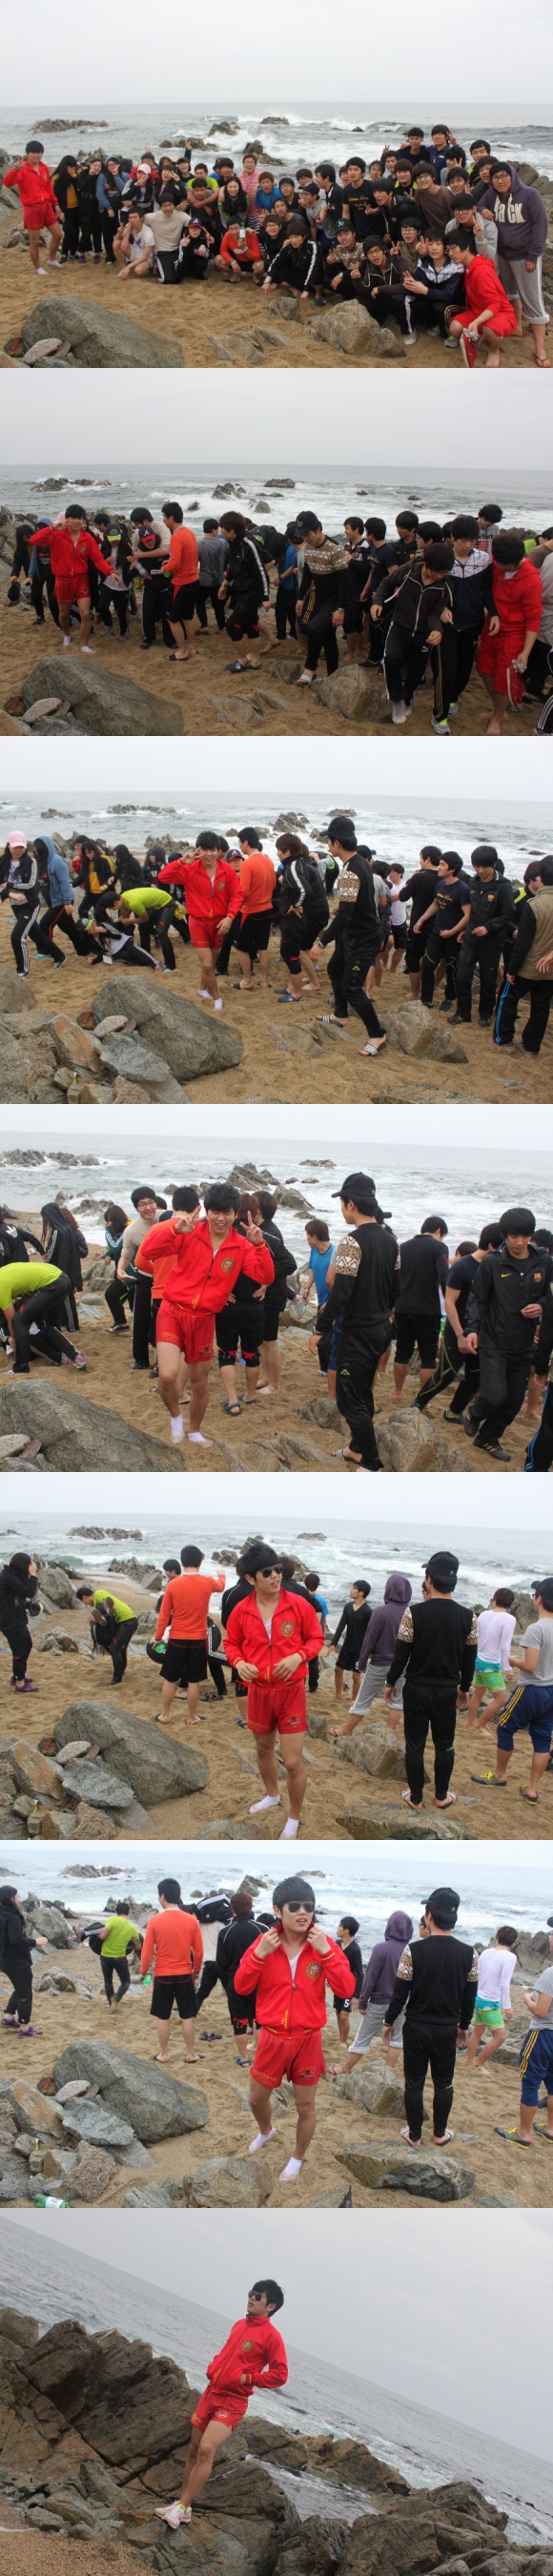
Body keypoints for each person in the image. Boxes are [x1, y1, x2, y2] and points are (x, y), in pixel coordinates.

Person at [234, 1873, 355, 2177]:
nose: (303, 1912)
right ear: (278, 1910)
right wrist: (260, 1955)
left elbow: (346, 1989)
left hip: (308, 2039)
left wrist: (327, 1952)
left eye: (309, 1906)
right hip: (271, 2037)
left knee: (305, 2106)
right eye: (295, 1906)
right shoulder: (264, 1943)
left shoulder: (323, 1944)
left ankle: (297, 2158)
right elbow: (241, 1986)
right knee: (256, 2098)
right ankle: (266, 2131)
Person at [136, 1186, 274, 1445]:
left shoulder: (241, 1246)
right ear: (206, 1211)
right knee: (167, 1376)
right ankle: (175, 1415)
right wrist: (175, 1230)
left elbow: (265, 1276)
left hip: (204, 1318)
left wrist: (259, 1245)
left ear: (236, 1214)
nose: (221, 1218)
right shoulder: (189, 1232)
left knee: (199, 1383)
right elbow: (148, 1253)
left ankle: (195, 1431)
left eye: (227, 1213)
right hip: (172, 1310)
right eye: (215, 1212)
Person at [155, 2281, 287, 2530]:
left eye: (257, 2296)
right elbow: (226, 2354)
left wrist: (248, 2378)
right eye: (250, 2293)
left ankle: (181, 2508)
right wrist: (214, 2366)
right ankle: (183, 2508)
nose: (251, 2298)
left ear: (270, 2306)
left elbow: (280, 2374)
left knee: (207, 2449)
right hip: (211, 2394)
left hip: (233, 2401)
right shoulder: (239, 2324)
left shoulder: (272, 2336)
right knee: (194, 2450)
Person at [224, 1544, 324, 1837]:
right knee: (263, 1748)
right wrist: (239, 1663)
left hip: (291, 1692)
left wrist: (299, 1657)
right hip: (258, 1691)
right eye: (267, 1572)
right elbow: (231, 1644)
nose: (275, 1576)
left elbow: (316, 1639)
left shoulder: (299, 1605)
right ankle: (272, 1795)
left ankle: (294, 1817)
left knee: (292, 1762)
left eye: (278, 1569)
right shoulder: (241, 1610)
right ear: (250, 1579)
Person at [311, 1173, 398, 1470]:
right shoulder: (391, 1240)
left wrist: (319, 1330)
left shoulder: (351, 1241)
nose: (342, 1209)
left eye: (342, 1203)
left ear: (350, 1204)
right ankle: (356, 1449)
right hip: (381, 1330)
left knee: (348, 1400)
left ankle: (370, 1461)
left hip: (357, 1333)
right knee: (362, 1392)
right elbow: (395, 1290)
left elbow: (340, 1295)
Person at [382, 1886, 479, 2147]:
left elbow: (400, 1993)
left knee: (414, 2083)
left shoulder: (412, 1950)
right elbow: (469, 1997)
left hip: (416, 2027)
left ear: (430, 1916)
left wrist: (389, 2022)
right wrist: (464, 2026)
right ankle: (439, 2133)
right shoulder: (470, 1954)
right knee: (444, 2083)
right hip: (447, 2030)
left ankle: (414, 2135)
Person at [384, 1549, 478, 1810]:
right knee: (445, 1746)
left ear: (429, 1579)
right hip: (447, 1691)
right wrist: (464, 1688)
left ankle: (415, 1798)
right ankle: (441, 1796)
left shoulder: (413, 1613)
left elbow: (401, 1655)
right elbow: (469, 1659)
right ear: (454, 1580)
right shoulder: (469, 1617)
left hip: (416, 1689)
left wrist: (390, 1683)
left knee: (415, 1745)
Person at [462, 1208, 553, 1460]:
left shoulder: (544, 1262)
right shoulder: (492, 1262)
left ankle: (488, 1437)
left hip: (524, 1344)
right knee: (494, 1396)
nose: (519, 1242)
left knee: (513, 1403)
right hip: (493, 1341)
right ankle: (474, 1413)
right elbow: (477, 1299)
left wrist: (542, 1305)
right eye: (514, 1236)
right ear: (504, 1235)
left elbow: (550, 1295)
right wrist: (472, 1330)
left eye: (525, 1236)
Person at [473, 1578, 553, 1803]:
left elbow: (530, 1665)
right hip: (551, 1690)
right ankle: (532, 1789)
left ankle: (499, 1775)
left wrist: (513, 1661)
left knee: (505, 1728)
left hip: (531, 1689)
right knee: (542, 1739)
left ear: (539, 1599)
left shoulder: (536, 1629)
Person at [414, 1221, 503, 1421]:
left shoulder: (498, 1268)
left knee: (476, 1377)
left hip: (483, 1333)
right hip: (458, 1330)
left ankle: (454, 1412)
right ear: (492, 1246)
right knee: (446, 1374)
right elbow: (449, 1302)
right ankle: (418, 1404)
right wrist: (460, 1334)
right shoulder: (463, 1267)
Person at [317, 816, 386, 1055]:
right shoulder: (360, 863)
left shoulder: (349, 872)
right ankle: (340, 1015)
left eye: (328, 841)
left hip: (362, 938)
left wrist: (322, 942)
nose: (328, 845)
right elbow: (360, 899)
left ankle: (377, 1034)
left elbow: (345, 917)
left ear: (336, 842)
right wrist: (344, 906)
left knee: (352, 988)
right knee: (335, 969)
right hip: (354, 934)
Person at [477, 161, 549, 366]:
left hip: (525, 256)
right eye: (495, 177)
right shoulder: (491, 195)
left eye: (504, 176)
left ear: (512, 176)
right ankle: (517, 327)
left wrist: (533, 255)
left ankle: (540, 348)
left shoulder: (530, 195)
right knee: (510, 294)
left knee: (533, 301)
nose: (500, 181)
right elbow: (479, 205)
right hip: (503, 255)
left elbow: (541, 226)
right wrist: (483, 210)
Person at [157, 831, 241, 1008]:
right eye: (205, 850)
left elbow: (237, 894)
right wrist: (181, 862)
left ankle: (202, 988)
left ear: (218, 851)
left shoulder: (226, 870)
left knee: (210, 963)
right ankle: (217, 998)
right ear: (198, 850)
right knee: (208, 964)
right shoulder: (190, 869)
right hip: (198, 922)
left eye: (213, 850)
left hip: (219, 923)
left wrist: (230, 917)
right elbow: (163, 877)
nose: (209, 854)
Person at [477, 532, 543, 735]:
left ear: (517, 561)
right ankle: (500, 709)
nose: (501, 568)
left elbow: (534, 618)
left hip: (514, 634)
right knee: (483, 669)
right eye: (499, 564)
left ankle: (497, 717)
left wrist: (526, 652)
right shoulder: (497, 563)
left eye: (505, 567)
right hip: (492, 627)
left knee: (505, 679)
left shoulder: (531, 580)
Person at [152, 1544, 225, 1726]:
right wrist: (222, 1574)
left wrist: (158, 1637)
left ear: (182, 1563)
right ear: (200, 1562)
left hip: (177, 1638)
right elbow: (221, 1586)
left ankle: (165, 1714)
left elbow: (164, 1615)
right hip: (198, 1639)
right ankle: (192, 1717)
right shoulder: (208, 1582)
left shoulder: (173, 1584)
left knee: (170, 1678)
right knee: (194, 1681)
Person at [496, 1920, 553, 2146]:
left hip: (543, 2035)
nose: (549, 1937)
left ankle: (524, 2134)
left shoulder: (550, 1974)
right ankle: (550, 2129)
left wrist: (528, 1999)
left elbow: (540, 2011)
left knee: (531, 2082)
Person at [31, 506, 115, 654]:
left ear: (83, 520)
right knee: (63, 613)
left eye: (80, 518)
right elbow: (34, 540)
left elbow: (98, 559)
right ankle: (67, 634)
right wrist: (52, 528)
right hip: (62, 580)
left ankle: (84, 644)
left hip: (81, 580)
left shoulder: (87, 538)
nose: (77, 521)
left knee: (85, 613)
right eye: (73, 518)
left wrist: (110, 572)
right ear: (67, 519)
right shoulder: (57, 535)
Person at [140, 1877, 204, 2064]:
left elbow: (147, 1951)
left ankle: (164, 2054)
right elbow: (199, 1951)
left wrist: (143, 1971)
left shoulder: (154, 1921)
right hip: (185, 1974)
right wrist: (196, 1970)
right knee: (187, 2015)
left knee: (163, 2016)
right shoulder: (192, 1920)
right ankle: (190, 2053)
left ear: (162, 1896)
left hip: (163, 1975)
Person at [494, 855, 553, 1054]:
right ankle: (531, 1047)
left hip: (528, 966)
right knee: (541, 1006)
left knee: (508, 999)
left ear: (542, 876)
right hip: (549, 969)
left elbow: (523, 942)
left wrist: (512, 969)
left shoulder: (535, 904)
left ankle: (504, 1040)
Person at [453, 847, 516, 1026]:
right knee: (462, 976)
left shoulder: (503, 886)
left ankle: (485, 1014)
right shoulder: (473, 882)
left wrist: (488, 927)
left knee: (488, 980)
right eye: (476, 866)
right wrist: (466, 929)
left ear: (493, 864)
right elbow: (472, 911)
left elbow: (508, 914)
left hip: (492, 943)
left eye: (484, 866)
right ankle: (463, 1012)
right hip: (471, 939)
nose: (480, 870)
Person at [342, 1576, 413, 1733]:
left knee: (363, 1698)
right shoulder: (411, 1613)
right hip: (403, 1663)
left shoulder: (380, 1612)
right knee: (397, 1701)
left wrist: (362, 1662)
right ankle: (389, 1733)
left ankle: (346, 1731)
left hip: (380, 1662)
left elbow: (369, 1640)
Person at [393, 1216, 449, 1400]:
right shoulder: (439, 1247)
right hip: (427, 1309)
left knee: (402, 1352)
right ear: (439, 1231)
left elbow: (394, 1276)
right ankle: (424, 1398)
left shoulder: (403, 1247)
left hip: (402, 1307)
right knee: (428, 1357)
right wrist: (450, 1303)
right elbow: (445, 1278)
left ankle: (398, 1392)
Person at [0, 1257, 86, 1375]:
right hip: (63, 1278)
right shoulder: (4, 1274)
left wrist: (15, 1343)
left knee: (18, 1320)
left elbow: (12, 1321)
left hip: (52, 1284)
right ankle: (74, 1356)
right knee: (51, 1324)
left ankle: (21, 1367)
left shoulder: (2, 1288)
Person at [445, 231, 519, 365]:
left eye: (453, 248)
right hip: (478, 310)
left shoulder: (481, 271)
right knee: (455, 328)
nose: (450, 253)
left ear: (467, 247)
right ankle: (481, 332)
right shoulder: (467, 266)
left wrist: (476, 322)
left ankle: (494, 350)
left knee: (489, 329)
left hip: (501, 312)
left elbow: (495, 305)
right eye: (448, 250)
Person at [349, 1911, 414, 2062]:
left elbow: (370, 1977)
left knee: (363, 2037)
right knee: (397, 2039)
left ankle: (345, 2068)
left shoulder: (381, 1948)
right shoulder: (412, 1950)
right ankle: (389, 2069)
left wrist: (363, 2001)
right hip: (403, 2002)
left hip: (379, 2001)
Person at [215, 1891, 265, 2063]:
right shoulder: (262, 1929)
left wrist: (231, 1971)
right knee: (259, 2019)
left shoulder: (225, 1931)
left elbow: (220, 1962)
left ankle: (244, 2058)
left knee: (239, 2020)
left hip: (236, 1980)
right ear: (251, 1907)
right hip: (258, 1981)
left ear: (232, 1909)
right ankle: (259, 2053)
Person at [218, 511, 270, 672]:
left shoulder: (249, 545)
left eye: (223, 528)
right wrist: (225, 584)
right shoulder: (232, 544)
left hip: (253, 593)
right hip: (241, 590)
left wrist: (266, 597)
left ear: (232, 530)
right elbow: (233, 567)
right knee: (250, 625)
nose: (221, 531)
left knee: (231, 625)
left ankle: (242, 659)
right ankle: (255, 661)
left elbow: (261, 572)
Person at [4, 141, 62, 273]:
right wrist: (15, 170)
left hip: (46, 206)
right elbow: (7, 183)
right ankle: (38, 267)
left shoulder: (44, 167)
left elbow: (48, 188)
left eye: (39, 153)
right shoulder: (22, 169)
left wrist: (55, 203)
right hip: (31, 209)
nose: (36, 155)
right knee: (34, 240)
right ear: (27, 153)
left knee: (58, 234)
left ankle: (51, 259)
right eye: (33, 152)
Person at [465, 1926, 518, 2071]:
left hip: (478, 1997)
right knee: (500, 2037)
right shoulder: (510, 1957)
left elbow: (476, 1974)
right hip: (490, 2002)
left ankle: (470, 2061)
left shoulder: (486, 1952)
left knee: (477, 2032)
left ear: (497, 1937)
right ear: (513, 1941)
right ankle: (479, 2064)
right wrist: (507, 2007)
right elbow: (504, 1984)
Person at [467, 1590, 517, 1734]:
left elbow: (476, 1636)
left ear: (495, 1600)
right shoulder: (509, 1619)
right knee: (501, 1699)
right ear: (510, 1603)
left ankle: (471, 1723)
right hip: (490, 1664)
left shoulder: (484, 1614)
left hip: (478, 1660)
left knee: (478, 1694)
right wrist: (508, 1668)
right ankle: (480, 1726)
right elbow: (505, 1645)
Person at [0, 1887, 48, 2035]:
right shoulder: (12, 1917)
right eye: (18, 1897)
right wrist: (35, 1942)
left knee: (21, 1987)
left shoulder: (3, 1913)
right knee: (25, 1993)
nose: (20, 1900)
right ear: (11, 1899)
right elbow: (16, 1939)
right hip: (16, 1961)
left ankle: (8, 2017)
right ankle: (24, 2027)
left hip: (6, 1959)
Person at [234, 829, 276, 992]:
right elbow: (273, 885)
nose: (240, 846)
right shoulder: (268, 861)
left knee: (242, 948)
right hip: (268, 908)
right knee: (262, 947)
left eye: (240, 843)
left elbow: (243, 892)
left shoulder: (247, 864)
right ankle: (264, 981)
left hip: (251, 911)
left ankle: (247, 980)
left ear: (246, 842)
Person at [76, 1584, 138, 1685]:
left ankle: (117, 1679)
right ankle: (121, 1671)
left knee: (114, 1649)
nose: (85, 1604)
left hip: (127, 1622)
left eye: (83, 1602)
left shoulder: (98, 1594)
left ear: (84, 1597)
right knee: (121, 1649)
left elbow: (109, 1602)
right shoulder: (98, 1600)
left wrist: (110, 1609)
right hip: (125, 1621)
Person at [0, 1552, 40, 1692]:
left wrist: (27, 1605)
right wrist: (33, 1575)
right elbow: (29, 1591)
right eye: (29, 1564)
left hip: (16, 1619)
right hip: (10, 1622)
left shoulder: (12, 1576)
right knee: (19, 1651)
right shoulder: (9, 1577)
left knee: (27, 1645)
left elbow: (15, 1597)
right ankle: (20, 1684)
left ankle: (18, 1676)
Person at [93, 1901, 141, 2010]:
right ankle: (116, 1997)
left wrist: (95, 1933)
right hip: (119, 1958)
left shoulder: (112, 1920)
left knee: (108, 1981)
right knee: (126, 1982)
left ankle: (110, 2004)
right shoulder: (132, 1928)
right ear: (128, 1912)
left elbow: (102, 1936)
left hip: (105, 1957)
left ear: (116, 1912)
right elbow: (138, 1947)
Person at [330, 1579, 372, 1702]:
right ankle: (338, 1695)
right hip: (347, 1646)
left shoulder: (368, 1611)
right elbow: (341, 1626)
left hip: (360, 1650)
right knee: (338, 1669)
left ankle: (354, 1700)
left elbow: (371, 1633)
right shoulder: (348, 1606)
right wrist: (333, 1643)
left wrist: (371, 1651)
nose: (351, 1590)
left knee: (356, 1676)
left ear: (361, 1593)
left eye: (354, 1588)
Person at [333, 1914, 364, 2040]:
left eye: (340, 1926)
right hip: (338, 1986)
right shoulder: (336, 1944)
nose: (338, 1928)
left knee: (344, 2015)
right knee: (338, 2013)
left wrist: (356, 1996)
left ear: (347, 1930)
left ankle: (344, 2041)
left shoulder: (355, 1949)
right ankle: (341, 2037)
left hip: (350, 1988)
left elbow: (360, 1974)